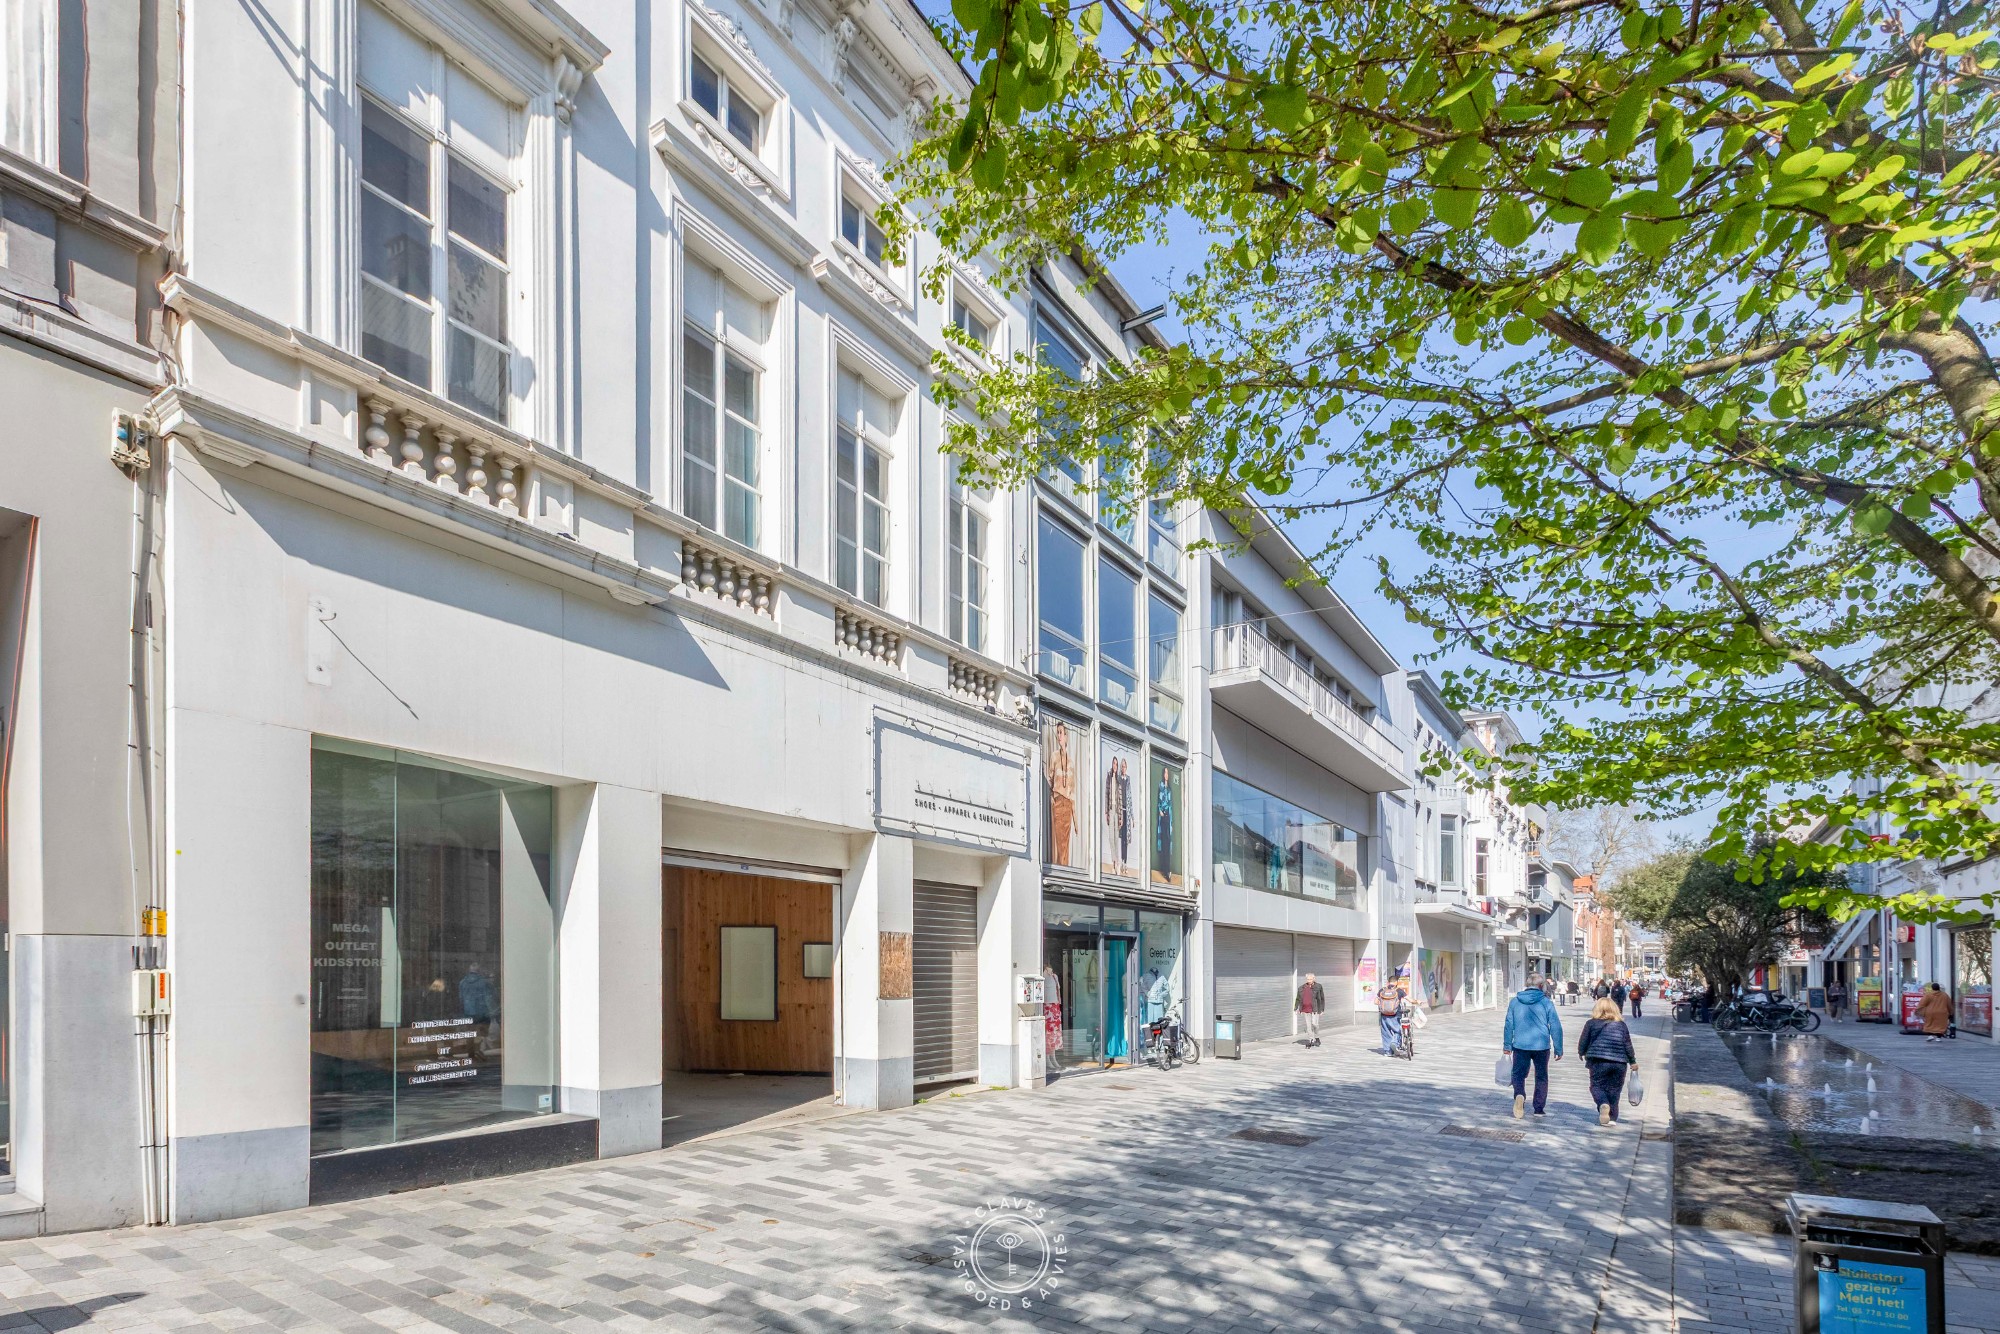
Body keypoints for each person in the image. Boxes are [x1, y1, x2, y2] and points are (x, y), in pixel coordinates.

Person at [1502, 982, 1564, 1118]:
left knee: (1518, 1074)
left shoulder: (1515, 1002)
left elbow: (1509, 1024)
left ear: (1527, 985)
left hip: (1520, 1045)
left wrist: (1507, 1046)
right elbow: (1555, 1025)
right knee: (1541, 1076)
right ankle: (1539, 1109)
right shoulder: (1546, 1002)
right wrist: (1558, 1047)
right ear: (1541, 985)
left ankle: (1519, 1094)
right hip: (1541, 1046)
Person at [1578, 998, 1639, 1126]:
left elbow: (1584, 1040)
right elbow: (1627, 1044)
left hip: (1598, 1061)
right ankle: (1612, 1118)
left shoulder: (1591, 1023)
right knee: (1615, 1090)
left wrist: (1581, 1052)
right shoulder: (1621, 1025)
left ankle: (1603, 1104)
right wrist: (1632, 1061)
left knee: (1596, 1086)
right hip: (1619, 1062)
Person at [1295, 971, 1326, 1049]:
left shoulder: (1318, 986)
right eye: (1308, 979)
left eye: (1310, 979)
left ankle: (1317, 1037)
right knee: (1308, 1026)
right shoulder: (1301, 988)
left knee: (1315, 1024)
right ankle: (1311, 1040)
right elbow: (1298, 999)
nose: (1309, 981)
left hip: (1315, 1009)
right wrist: (1296, 1008)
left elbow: (1322, 998)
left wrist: (1322, 1009)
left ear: (1314, 979)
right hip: (1305, 1009)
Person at [1376, 975, 1405, 1055]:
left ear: (1388, 982)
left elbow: (1375, 1002)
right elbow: (1409, 999)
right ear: (1396, 982)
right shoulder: (1399, 991)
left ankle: (1388, 1052)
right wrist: (1417, 1001)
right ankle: (1394, 1043)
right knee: (1398, 1030)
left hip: (1384, 1015)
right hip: (1395, 1015)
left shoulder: (1382, 990)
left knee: (1385, 1033)